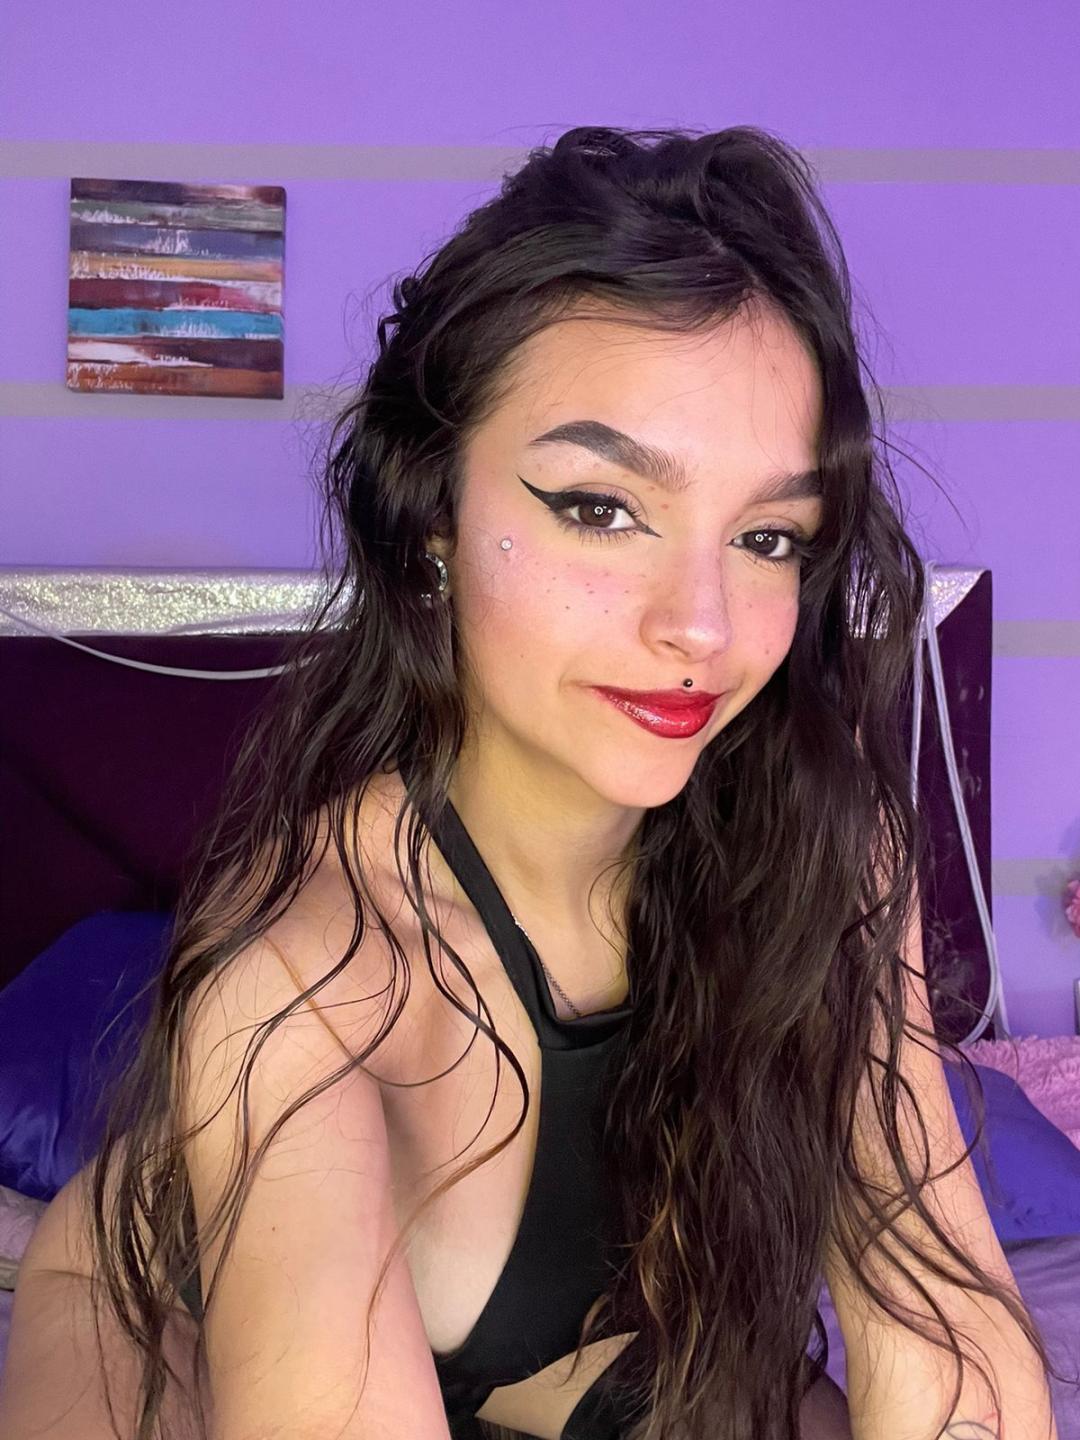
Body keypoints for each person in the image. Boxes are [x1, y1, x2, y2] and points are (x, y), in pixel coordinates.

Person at [0, 125, 1060, 1440]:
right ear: (434, 523)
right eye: (601, 507)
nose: (701, 626)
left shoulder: (823, 853)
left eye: (768, 536)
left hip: (593, 1357)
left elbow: (940, 1320)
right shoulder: (311, 985)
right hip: (153, 1316)